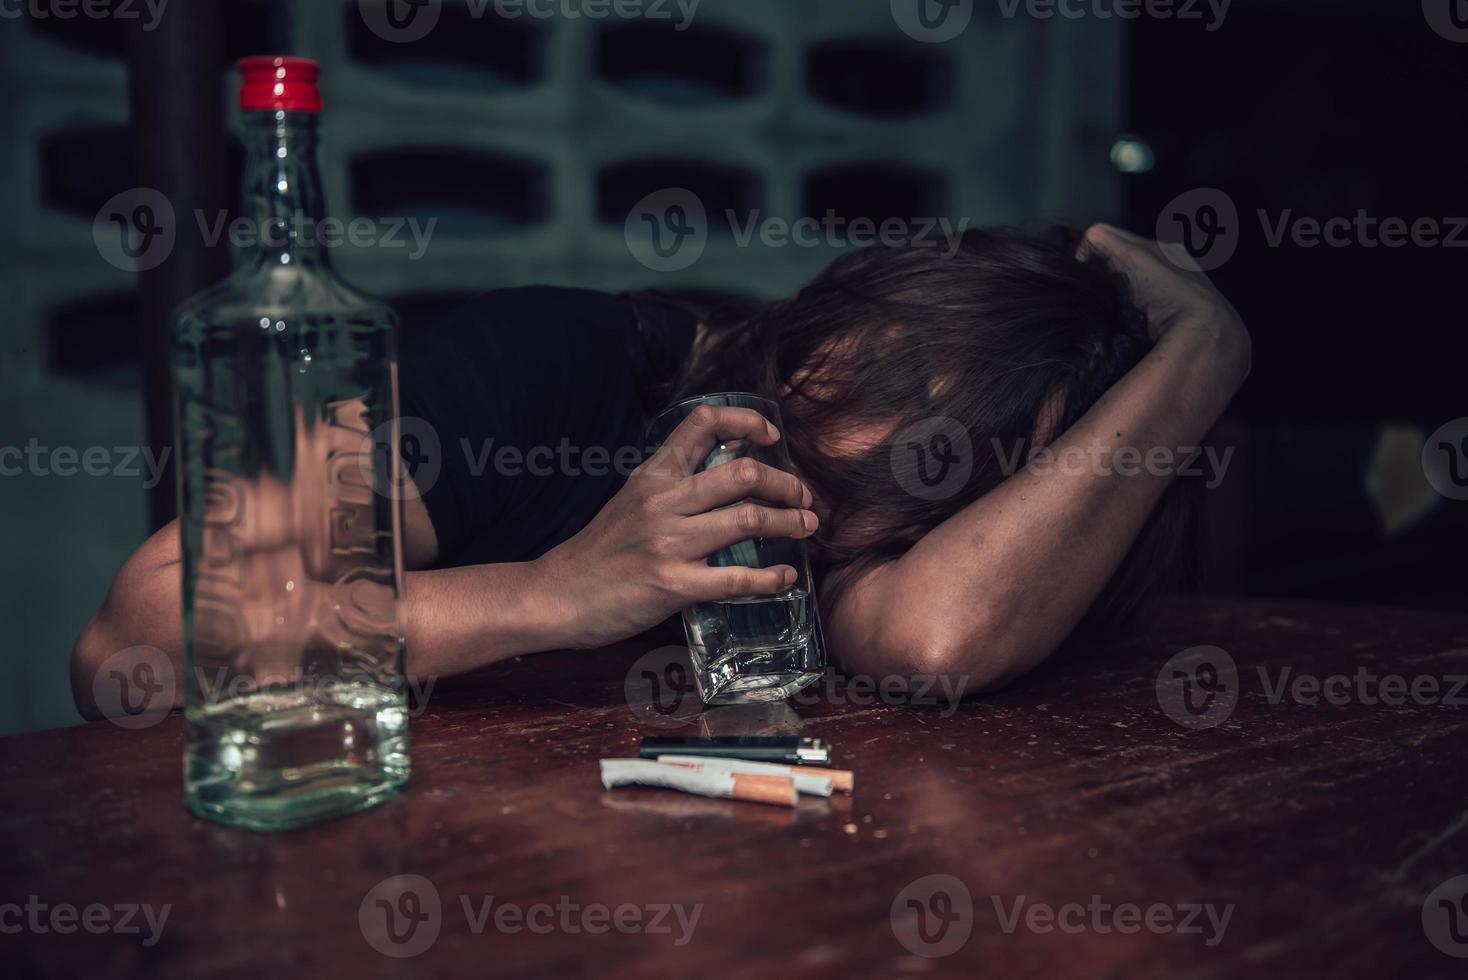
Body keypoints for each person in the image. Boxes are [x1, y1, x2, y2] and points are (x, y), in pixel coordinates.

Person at [70, 224, 1250, 716]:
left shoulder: (851, 537)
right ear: (865, 316)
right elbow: (142, 635)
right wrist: (553, 592)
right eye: (910, 389)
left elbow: (935, 637)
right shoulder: (562, 364)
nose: (886, 465)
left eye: (969, 478)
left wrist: (1203, 354)